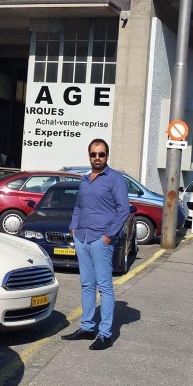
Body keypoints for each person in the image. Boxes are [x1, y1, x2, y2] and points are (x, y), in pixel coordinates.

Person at [60, 138, 130, 350]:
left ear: (107, 156)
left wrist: (109, 236)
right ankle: (87, 327)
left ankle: (105, 334)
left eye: (101, 154)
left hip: (101, 240)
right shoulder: (84, 180)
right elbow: (79, 206)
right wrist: (74, 227)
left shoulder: (115, 179)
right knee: (86, 284)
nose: (97, 157)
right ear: (89, 156)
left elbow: (123, 210)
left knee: (105, 286)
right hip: (82, 238)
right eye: (93, 154)